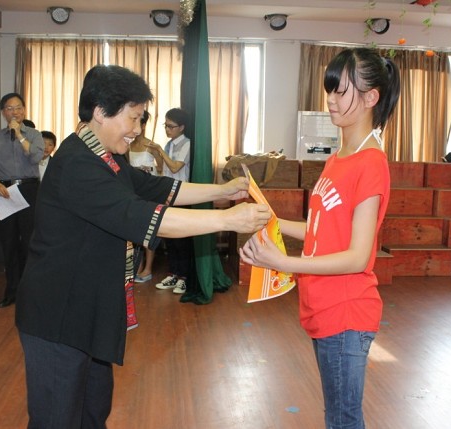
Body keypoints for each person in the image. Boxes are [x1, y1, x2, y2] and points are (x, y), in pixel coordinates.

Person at [14, 64, 270, 428]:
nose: (137, 130)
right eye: (133, 118)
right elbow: (145, 216)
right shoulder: (77, 164)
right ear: (100, 112)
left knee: (92, 412)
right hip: (58, 315)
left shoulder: (106, 156)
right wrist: (228, 220)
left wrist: (223, 191)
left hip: (87, 310)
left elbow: (158, 188)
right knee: (57, 419)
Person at [240, 48, 400, 429]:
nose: (330, 99)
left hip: (346, 312)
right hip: (323, 307)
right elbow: (318, 229)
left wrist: (283, 262)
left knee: (343, 420)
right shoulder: (338, 158)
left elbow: (358, 257)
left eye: (341, 91)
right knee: (339, 416)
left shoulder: (371, 163)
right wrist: (271, 220)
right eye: (329, 89)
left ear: (371, 97)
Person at [0, 93, 44, 308]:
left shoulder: (34, 134)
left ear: (24, 110)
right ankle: (11, 291)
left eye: (18, 107)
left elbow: (36, 157)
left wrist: (19, 134)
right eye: (9, 108)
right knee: (8, 243)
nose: (14, 112)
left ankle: (30, 292)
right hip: (4, 191)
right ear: (3, 112)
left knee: (29, 242)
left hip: (29, 189)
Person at [145, 108, 191, 294]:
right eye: (166, 125)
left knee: (181, 240)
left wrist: (159, 150)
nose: (167, 129)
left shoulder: (186, 144)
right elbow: (163, 168)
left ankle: (184, 278)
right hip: (167, 194)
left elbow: (175, 167)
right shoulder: (168, 145)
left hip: (182, 195)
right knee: (169, 239)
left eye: (171, 126)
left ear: (182, 127)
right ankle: (173, 274)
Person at [127, 110, 162, 283]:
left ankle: (148, 268)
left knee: (149, 230)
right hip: (133, 192)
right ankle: (138, 266)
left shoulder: (152, 145)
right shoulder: (128, 145)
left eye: (138, 122)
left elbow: (161, 169)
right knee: (136, 231)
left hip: (150, 191)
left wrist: (150, 170)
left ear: (143, 125)